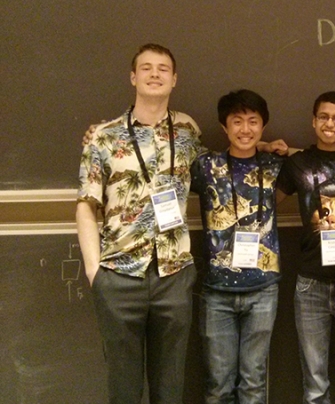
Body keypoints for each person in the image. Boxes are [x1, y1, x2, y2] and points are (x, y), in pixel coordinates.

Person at [76, 43, 201, 403]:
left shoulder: (188, 130)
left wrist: (269, 147)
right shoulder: (104, 136)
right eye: (146, 68)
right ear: (133, 77)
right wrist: (93, 271)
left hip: (174, 275)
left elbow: (216, 167)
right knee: (124, 387)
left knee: (170, 386)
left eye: (163, 68)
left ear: (174, 79)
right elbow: (86, 205)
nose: (155, 74)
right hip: (118, 275)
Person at [276, 91, 335, 404]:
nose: (329, 123)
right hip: (311, 285)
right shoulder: (297, 164)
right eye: (323, 117)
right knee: (315, 384)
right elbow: (269, 202)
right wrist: (268, 146)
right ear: (313, 121)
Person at [190, 89, 285, 404]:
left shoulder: (274, 165)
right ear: (224, 127)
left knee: (254, 384)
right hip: (217, 292)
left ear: (263, 125)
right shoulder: (205, 166)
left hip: (263, 289)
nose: (245, 129)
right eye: (237, 121)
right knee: (218, 386)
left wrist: (273, 147)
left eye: (253, 122)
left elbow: (315, 156)